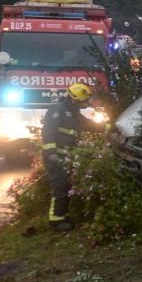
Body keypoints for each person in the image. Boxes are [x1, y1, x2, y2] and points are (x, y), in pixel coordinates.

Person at [41, 82, 103, 231]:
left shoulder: (73, 112)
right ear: (76, 99)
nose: (86, 102)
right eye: (85, 100)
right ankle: (56, 221)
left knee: (66, 186)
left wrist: (110, 127)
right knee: (60, 187)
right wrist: (51, 154)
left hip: (67, 156)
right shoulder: (58, 110)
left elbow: (89, 125)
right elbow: (48, 133)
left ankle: (62, 215)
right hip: (56, 157)